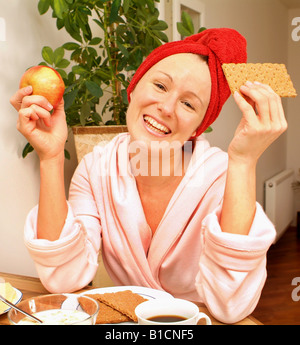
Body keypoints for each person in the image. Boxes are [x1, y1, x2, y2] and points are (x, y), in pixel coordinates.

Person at [10, 28, 287, 323]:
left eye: (189, 104)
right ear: (134, 85)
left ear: (198, 127)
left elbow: (230, 307)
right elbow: (63, 279)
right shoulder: (96, 169)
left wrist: (243, 161)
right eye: (160, 85)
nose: (166, 108)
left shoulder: (222, 176)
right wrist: (50, 158)